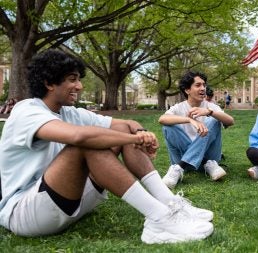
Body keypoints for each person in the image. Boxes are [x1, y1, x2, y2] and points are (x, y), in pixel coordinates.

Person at [0, 49, 214, 244]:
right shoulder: (26, 111)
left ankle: (169, 203)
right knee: (86, 144)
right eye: (72, 80)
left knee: (120, 132)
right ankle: (159, 218)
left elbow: (126, 125)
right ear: (49, 83)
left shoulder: (69, 112)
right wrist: (133, 140)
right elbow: (79, 136)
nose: (80, 86)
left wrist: (139, 133)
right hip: (26, 213)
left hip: (67, 201)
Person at [159, 70, 234, 189]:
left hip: (207, 155)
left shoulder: (210, 106)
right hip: (198, 160)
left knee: (214, 119)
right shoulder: (179, 107)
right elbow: (162, 119)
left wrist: (210, 112)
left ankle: (179, 168)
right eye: (198, 85)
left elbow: (230, 121)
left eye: (204, 85)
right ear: (187, 90)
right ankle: (205, 163)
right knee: (168, 126)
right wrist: (189, 120)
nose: (203, 88)